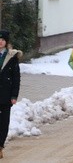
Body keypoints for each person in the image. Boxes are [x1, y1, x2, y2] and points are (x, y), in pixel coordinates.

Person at [0, 30, 22, 160]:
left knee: (3, 123)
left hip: (5, 96)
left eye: (3, 40)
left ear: (6, 42)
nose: (0, 42)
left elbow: (16, 79)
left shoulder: (12, 58)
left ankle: (0, 146)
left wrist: (14, 96)